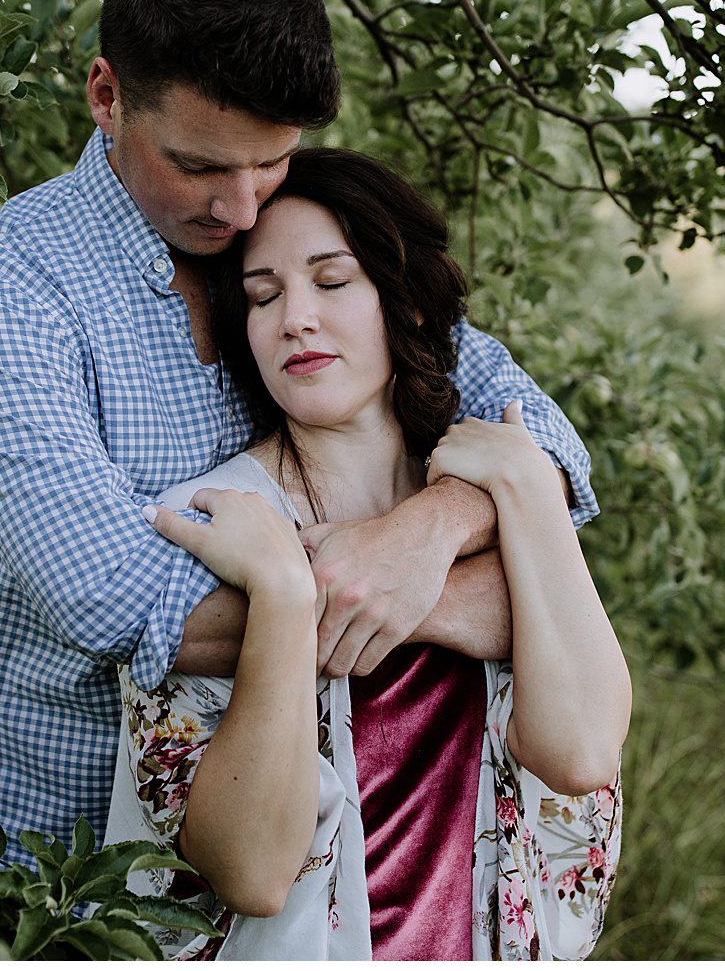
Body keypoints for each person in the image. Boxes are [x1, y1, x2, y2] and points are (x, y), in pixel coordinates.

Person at [0, 0, 600, 867]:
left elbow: (552, 449)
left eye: (270, 162)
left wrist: (427, 532)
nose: (241, 210)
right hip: (46, 864)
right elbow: (115, 601)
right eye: (198, 166)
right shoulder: (5, 290)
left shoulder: (302, 242)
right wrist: (465, 598)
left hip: (314, 840)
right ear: (107, 95)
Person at [106, 149, 630, 959]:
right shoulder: (210, 523)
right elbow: (250, 872)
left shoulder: (486, 505)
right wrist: (283, 594)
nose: (295, 318)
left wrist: (525, 485)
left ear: (407, 303)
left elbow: (581, 752)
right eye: (263, 294)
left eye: (332, 280)